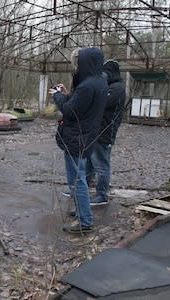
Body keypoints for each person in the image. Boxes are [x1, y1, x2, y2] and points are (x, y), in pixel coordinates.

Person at [48, 47, 108, 234]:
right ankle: (83, 212)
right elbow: (80, 106)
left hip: (77, 137)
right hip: (87, 135)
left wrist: (57, 96)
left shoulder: (87, 86)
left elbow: (69, 111)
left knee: (77, 180)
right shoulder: (99, 82)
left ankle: (85, 220)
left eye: (78, 62)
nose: (76, 65)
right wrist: (68, 94)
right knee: (80, 176)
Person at [87, 59, 126, 206]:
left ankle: (102, 195)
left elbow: (100, 103)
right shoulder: (111, 86)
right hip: (97, 131)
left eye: (105, 73)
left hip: (105, 132)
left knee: (101, 165)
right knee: (91, 163)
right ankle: (87, 188)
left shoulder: (117, 88)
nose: (103, 76)